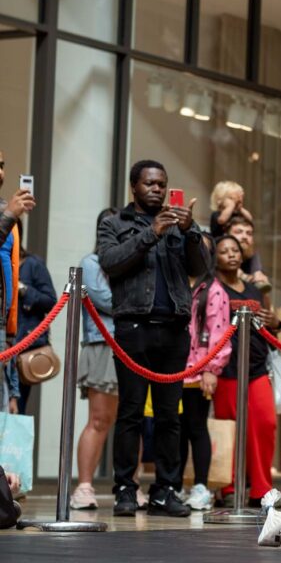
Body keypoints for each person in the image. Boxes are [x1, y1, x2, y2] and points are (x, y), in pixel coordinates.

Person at [97, 160, 210, 518]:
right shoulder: (114, 223)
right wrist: (151, 233)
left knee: (169, 417)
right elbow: (111, 262)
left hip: (174, 329)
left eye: (162, 184)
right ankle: (126, 490)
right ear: (134, 187)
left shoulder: (179, 226)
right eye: (149, 184)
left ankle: (165, 489)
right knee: (130, 413)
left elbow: (201, 269)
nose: (157, 190)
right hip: (133, 328)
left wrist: (191, 232)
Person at [212, 233, 281, 508]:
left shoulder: (254, 290)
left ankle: (261, 489)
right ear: (215, 258)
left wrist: (275, 322)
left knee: (265, 424)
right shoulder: (213, 287)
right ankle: (227, 488)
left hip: (256, 366)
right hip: (226, 368)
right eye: (224, 251)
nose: (231, 254)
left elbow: (268, 324)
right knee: (228, 428)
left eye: (235, 250)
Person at [71, 209, 123, 511]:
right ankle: (84, 486)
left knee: (133, 421)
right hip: (103, 344)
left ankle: (130, 486)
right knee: (100, 419)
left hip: (132, 346)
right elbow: (104, 299)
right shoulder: (91, 263)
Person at [179, 243, 232, 512]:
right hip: (172, 370)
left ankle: (200, 486)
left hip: (199, 371)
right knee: (174, 430)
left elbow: (219, 333)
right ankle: (174, 485)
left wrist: (212, 369)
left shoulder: (213, 290)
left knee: (196, 427)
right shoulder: (176, 280)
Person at [0, 151, 35, 412]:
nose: (1, 173)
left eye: (2, 165)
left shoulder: (6, 213)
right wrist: (8, 215)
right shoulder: (7, 215)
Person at [14, 218, 57, 414]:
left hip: (22, 346)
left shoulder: (33, 264)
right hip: (5, 343)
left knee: (16, 408)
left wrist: (22, 288)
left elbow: (50, 300)